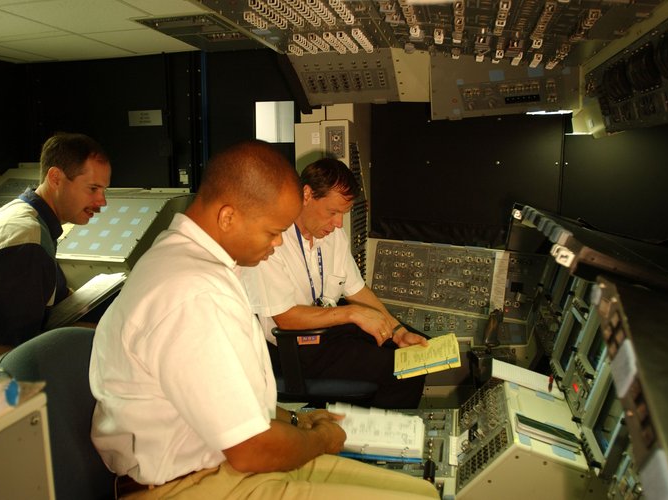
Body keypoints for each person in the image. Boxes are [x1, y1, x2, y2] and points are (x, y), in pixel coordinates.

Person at [89, 140, 438, 499]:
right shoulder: (194, 293)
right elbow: (251, 448)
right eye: (272, 233)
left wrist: (296, 420)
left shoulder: (187, 259)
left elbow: (227, 400)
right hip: (187, 481)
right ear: (228, 217)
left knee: (423, 492)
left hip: (222, 459)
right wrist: (319, 438)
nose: (276, 244)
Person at [241, 157, 427, 409]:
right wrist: (352, 313)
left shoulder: (333, 237)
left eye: (343, 214)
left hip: (325, 331)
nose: (339, 223)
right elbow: (285, 318)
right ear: (306, 194)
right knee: (401, 371)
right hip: (291, 347)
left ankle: (355, 427)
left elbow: (357, 291)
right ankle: (384, 441)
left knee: (415, 352)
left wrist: (398, 332)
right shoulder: (273, 240)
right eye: (333, 212)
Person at [0, 132, 111, 371]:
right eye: (93, 189)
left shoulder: (21, 216)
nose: (102, 201)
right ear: (55, 178)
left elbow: (56, 296)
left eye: (104, 190)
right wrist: (81, 335)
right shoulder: (26, 239)